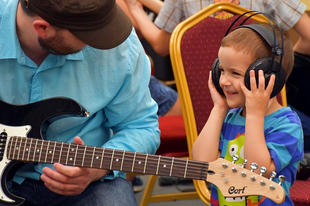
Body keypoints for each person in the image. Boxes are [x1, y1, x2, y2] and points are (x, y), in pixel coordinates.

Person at [0, 0, 161, 205]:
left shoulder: (122, 46)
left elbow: (141, 126)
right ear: (43, 28)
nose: (104, 40)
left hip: (89, 182)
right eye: (90, 35)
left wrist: (96, 168)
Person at [192, 21, 303, 205]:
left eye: (235, 73)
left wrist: (254, 115)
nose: (224, 81)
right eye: (221, 71)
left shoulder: (287, 125)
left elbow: (258, 170)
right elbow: (202, 164)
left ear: (268, 78)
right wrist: (219, 109)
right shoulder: (230, 117)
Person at [124, 0, 308, 57]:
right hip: (263, 95)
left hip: (204, 103)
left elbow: (162, 46)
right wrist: (282, 65)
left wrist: (134, 8)